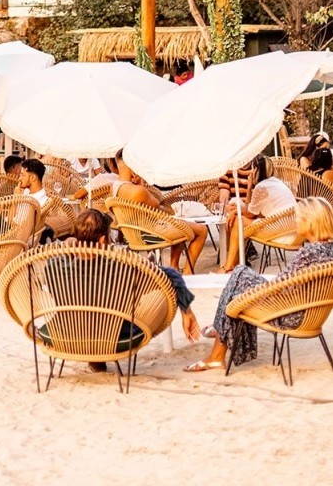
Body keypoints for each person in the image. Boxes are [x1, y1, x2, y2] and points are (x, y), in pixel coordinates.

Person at [185, 197, 333, 371]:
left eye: (299, 218)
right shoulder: (327, 251)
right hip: (309, 313)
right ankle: (220, 332)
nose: (295, 221)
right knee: (241, 275)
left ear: (310, 222)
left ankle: (219, 341)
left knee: (239, 276)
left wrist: (251, 287)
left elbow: (281, 285)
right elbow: (290, 284)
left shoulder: (310, 252)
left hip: (289, 314)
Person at [69, 209, 202, 370]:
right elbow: (172, 275)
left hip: (70, 337)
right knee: (157, 293)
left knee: (90, 310)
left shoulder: (57, 267)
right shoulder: (121, 267)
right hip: (113, 339)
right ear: (103, 240)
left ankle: (96, 362)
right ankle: (98, 354)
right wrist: (187, 312)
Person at [113, 151, 208, 272]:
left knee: (177, 224)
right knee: (201, 230)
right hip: (149, 235)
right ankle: (188, 272)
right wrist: (141, 182)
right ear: (132, 164)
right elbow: (163, 210)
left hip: (133, 234)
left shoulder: (115, 187)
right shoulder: (137, 191)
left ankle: (174, 267)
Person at [220, 154, 296, 272]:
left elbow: (250, 214)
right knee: (240, 221)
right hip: (291, 228)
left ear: (255, 170)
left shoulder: (261, 187)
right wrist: (250, 188)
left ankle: (228, 266)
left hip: (279, 230)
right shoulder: (276, 183)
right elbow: (254, 212)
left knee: (238, 223)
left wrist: (236, 210)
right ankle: (236, 264)